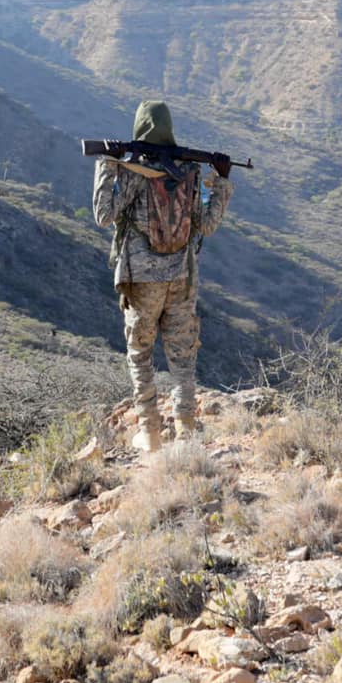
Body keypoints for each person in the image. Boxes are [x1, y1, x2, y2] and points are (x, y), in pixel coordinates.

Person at [91, 100, 232, 451]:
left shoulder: (133, 171)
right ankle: (185, 429)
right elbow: (207, 225)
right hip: (182, 278)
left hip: (141, 281)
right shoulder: (189, 172)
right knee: (183, 358)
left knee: (140, 354)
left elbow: (103, 215)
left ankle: (150, 432)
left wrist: (107, 165)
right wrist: (223, 182)